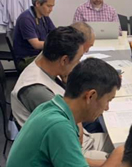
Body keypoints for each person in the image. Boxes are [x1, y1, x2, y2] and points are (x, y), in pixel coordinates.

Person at [11, 26, 113, 158]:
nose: (78, 64)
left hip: (79, 140)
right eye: (78, 59)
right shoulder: (36, 90)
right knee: (127, 159)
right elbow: (70, 132)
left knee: (127, 145)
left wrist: (67, 80)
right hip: (67, 153)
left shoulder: (47, 63)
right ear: (64, 60)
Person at [13, 0, 57, 70]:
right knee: (58, 64)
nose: (51, 10)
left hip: (40, 54)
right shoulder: (26, 19)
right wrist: (57, 44)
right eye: (48, 6)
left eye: (52, 6)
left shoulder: (44, 16)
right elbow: (36, 44)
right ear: (37, 3)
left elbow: (55, 33)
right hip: (26, 59)